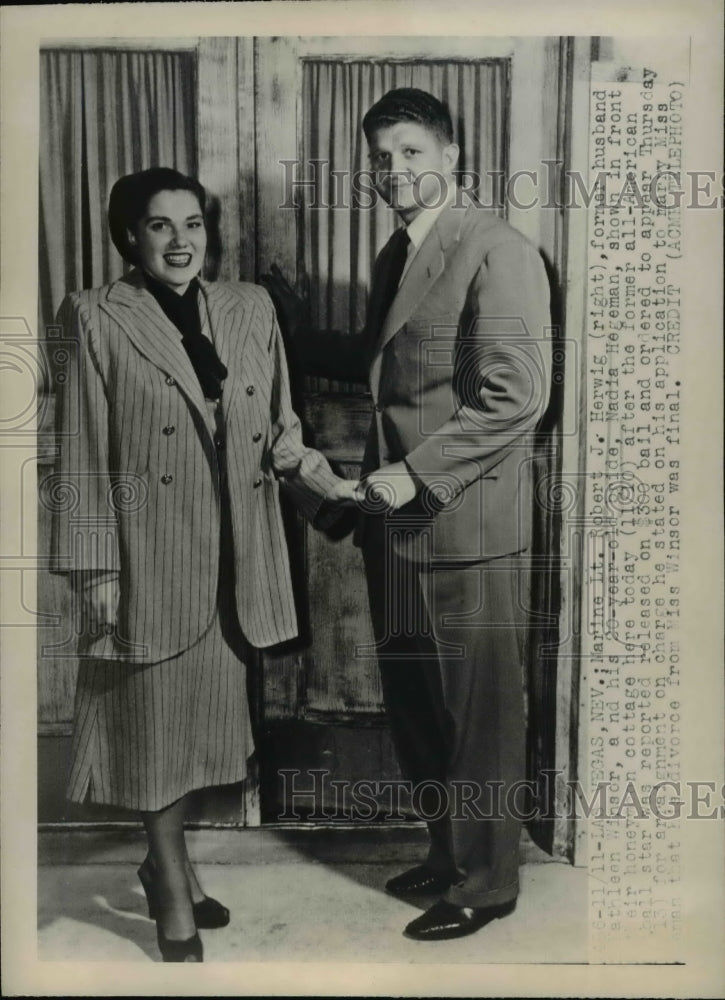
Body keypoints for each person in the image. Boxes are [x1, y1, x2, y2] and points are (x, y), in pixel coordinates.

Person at [49, 167, 357, 962]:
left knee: (198, 734)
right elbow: (78, 451)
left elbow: (281, 431)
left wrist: (337, 498)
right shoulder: (93, 315)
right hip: (148, 555)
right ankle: (172, 887)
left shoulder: (249, 308)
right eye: (160, 226)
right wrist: (97, 572)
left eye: (193, 224)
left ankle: (165, 864)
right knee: (150, 731)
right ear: (128, 237)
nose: (182, 241)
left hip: (234, 556)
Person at [265, 87, 552, 941]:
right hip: (399, 526)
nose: (396, 172)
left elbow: (518, 395)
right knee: (420, 705)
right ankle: (447, 853)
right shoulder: (399, 255)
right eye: (382, 159)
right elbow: (374, 360)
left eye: (412, 154)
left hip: (463, 523)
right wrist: (282, 327)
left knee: (478, 715)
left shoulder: (497, 248)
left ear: (451, 154)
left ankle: (487, 884)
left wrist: (412, 474)